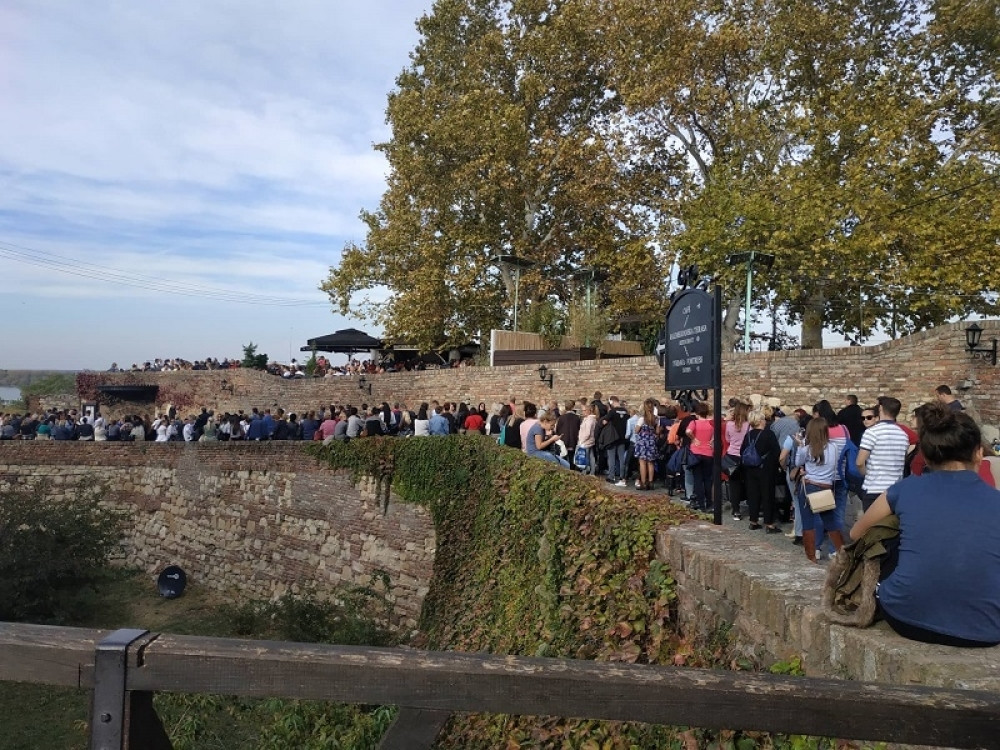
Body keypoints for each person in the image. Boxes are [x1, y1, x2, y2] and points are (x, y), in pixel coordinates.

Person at [850, 404, 1000, 646]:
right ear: (978, 453)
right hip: (985, 629)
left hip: (905, 617)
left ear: (926, 456)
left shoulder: (904, 490)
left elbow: (857, 533)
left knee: (891, 530)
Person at [794, 417, 845, 562]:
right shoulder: (834, 447)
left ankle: (811, 556)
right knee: (829, 521)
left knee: (808, 522)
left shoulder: (807, 449)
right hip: (826, 487)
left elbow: (798, 463)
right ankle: (841, 552)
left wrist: (800, 445)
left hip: (809, 485)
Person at [857, 396, 910, 511]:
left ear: (880, 408)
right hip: (896, 489)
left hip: (874, 489)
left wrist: (866, 475)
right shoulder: (903, 435)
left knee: (871, 528)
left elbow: (860, 462)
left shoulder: (871, 432)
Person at [742, 409, 781, 532]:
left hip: (750, 468)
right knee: (767, 495)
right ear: (760, 421)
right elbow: (776, 452)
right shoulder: (768, 434)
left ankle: (753, 521)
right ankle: (769, 523)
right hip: (766, 469)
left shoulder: (748, 435)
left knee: (753, 495)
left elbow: (742, 451)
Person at [686, 401, 715, 512]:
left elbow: (688, 431)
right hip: (708, 452)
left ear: (697, 413)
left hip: (696, 452)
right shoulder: (711, 423)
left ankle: (701, 504)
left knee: (698, 479)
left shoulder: (694, 423)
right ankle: (709, 503)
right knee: (708, 479)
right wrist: (711, 440)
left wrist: (693, 438)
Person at [633, 399, 659, 490]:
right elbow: (657, 431)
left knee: (642, 463)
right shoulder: (656, 419)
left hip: (642, 442)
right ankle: (651, 483)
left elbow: (636, 430)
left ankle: (643, 483)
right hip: (651, 441)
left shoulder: (642, 419)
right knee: (651, 463)